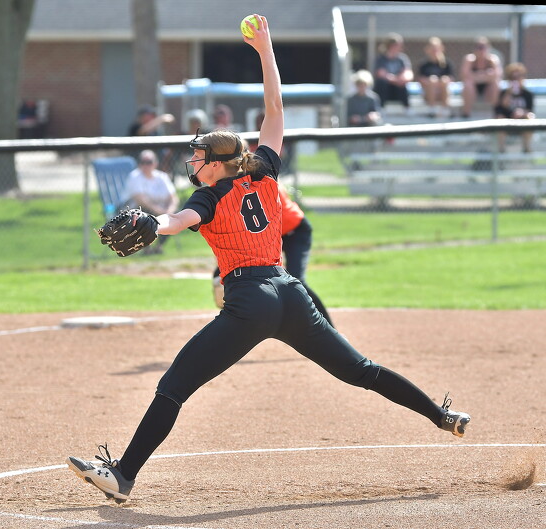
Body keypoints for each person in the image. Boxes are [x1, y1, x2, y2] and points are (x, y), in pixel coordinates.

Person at [67, 15, 471, 504]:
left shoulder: (209, 196)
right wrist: (265, 49)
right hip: (290, 293)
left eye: (199, 156)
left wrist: (155, 224)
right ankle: (441, 416)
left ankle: (124, 476)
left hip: (249, 301)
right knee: (361, 369)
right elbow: (275, 108)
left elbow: (177, 221)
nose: (192, 161)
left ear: (217, 163)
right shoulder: (264, 172)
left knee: (174, 385)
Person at [213, 183, 334, 327]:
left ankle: (329, 328)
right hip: (271, 234)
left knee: (297, 281)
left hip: (295, 230)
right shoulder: (237, 188)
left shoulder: (264, 183)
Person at [122, 149, 179, 253]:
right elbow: (140, 200)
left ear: (155, 163)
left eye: (149, 162)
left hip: (161, 210)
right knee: (144, 214)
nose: (146, 165)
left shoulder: (162, 176)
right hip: (139, 210)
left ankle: (159, 247)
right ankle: (146, 247)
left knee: (173, 216)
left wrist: (170, 211)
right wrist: (159, 211)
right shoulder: (135, 176)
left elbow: (173, 198)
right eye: (143, 162)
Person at [494, 62, 535, 154]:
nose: (516, 80)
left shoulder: (527, 94)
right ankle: (501, 150)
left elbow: (530, 110)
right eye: (513, 78)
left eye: (519, 77)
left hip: (522, 124)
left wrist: (522, 113)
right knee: (499, 119)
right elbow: (498, 111)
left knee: (530, 117)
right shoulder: (503, 93)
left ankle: (526, 149)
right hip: (507, 123)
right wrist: (508, 95)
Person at [460, 37, 502, 118]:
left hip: (487, 89)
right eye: (479, 47)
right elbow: (464, 75)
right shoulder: (470, 59)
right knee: (468, 84)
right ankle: (466, 113)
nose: (481, 50)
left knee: (495, 84)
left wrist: (476, 76)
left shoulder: (493, 60)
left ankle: (495, 112)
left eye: (483, 47)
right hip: (473, 89)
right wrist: (486, 75)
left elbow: (497, 75)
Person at [373, 33, 414, 112]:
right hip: (386, 89)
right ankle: (381, 108)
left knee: (403, 85)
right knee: (381, 83)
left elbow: (408, 74)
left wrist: (401, 79)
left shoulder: (402, 59)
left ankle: (407, 109)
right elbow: (381, 74)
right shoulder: (381, 59)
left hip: (398, 89)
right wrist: (396, 80)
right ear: (391, 45)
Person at [417, 37, 455, 118]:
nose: (434, 51)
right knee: (432, 80)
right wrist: (432, 82)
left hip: (443, 92)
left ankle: (445, 109)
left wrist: (441, 82)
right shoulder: (424, 64)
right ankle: (432, 110)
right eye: (432, 48)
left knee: (444, 81)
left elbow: (451, 78)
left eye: (436, 48)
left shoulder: (446, 63)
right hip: (428, 93)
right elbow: (420, 79)